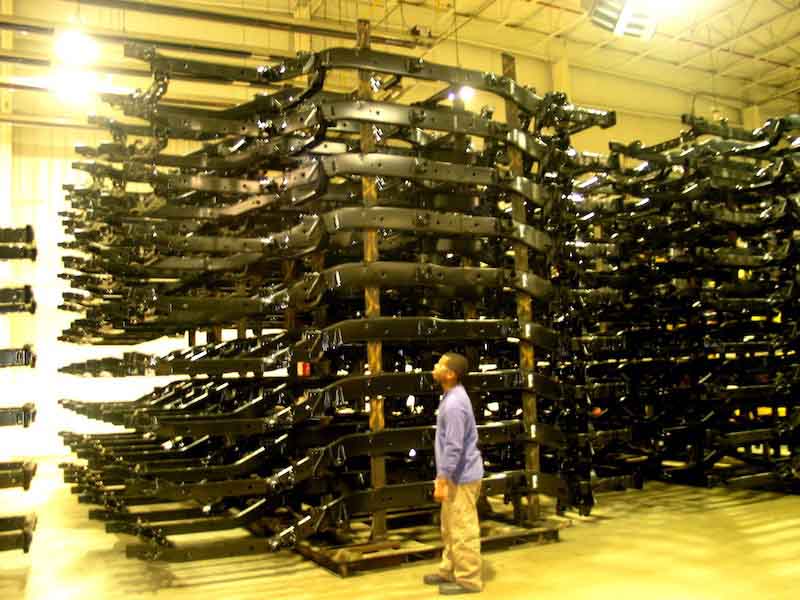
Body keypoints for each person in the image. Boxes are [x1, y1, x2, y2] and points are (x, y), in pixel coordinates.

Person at [423, 352, 484, 595]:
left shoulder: (454, 404)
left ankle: (468, 580)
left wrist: (442, 478)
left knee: (463, 530)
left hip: (462, 477)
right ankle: (449, 570)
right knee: (450, 527)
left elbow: (454, 446)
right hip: (456, 476)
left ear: (449, 374)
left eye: (440, 364)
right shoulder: (451, 397)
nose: (435, 366)